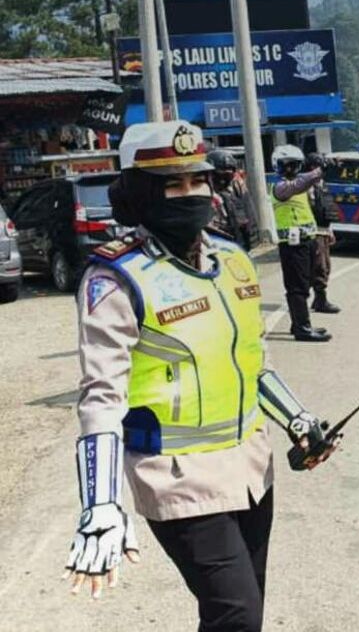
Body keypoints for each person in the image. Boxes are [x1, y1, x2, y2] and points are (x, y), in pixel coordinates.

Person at [65, 121, 337, 631]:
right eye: (173, 184)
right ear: (143, 195)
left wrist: (300, 420)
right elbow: (101, 396)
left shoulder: (232, 261)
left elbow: (254, 362)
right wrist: (100, 505)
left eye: (198, 181)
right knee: (236, 615)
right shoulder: (116, 277)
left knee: (241, 610)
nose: (191, 194)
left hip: (251, 467)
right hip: (177, 474)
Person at [270, 145, 330, 343]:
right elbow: (298, 184)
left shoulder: (302, 185)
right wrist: (319, 171)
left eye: (295, 165)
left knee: (306, 283)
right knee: (298, 287)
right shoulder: (280, 187)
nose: (291, 170)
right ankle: (302, 328)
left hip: (307, 240)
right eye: (286, 166)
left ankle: (300, 323)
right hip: (292, 244)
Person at [303, 151, 340, 315]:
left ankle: (319, 299)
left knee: (325, 266)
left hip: (323, 230)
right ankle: (319, 299)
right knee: (318, 267)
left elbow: (326, 207)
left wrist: (330, 230)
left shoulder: (321, 184)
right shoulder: (304, 186)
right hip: (313, 231)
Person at [207, 149, 257, 251]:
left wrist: (251, 241)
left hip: (238, 243)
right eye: (219, 175)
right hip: (215, 244)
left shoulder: (237, 187)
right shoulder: (203, 193)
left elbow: (249, 215)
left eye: (227, 175)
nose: (223, 180)